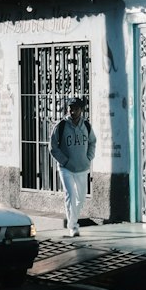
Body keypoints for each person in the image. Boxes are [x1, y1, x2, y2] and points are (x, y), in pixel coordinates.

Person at [49, 97, 96, 238]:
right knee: (70, 194)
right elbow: (53, 147)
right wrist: (65, 161)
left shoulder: (86, 126)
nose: (72, 111)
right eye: (70, 108)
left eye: (75, 108)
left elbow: (93, 142)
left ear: (81, 110)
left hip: (82, 167)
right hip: (66, 168)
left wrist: (89, 158)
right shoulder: (61, 126)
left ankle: (73, 221)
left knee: (80, 198)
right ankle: (73, 226)